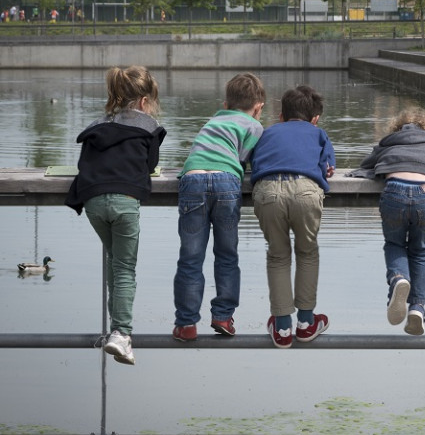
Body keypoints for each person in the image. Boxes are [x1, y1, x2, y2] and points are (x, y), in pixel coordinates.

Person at [65, 66, 166, 365]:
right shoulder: (148, 127)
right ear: (144, 102)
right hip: (124, 200)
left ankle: (115, 332)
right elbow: (150, 165)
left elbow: (85, 161)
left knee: (114, 260)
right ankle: (121, 334)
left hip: (94, 200)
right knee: (124, 268)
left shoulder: (96, 126)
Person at [348, 107, 425, 335]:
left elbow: (366, 164)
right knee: (420, 250)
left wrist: (383, 149)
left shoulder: (389, 144)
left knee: (395, 244)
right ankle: (418, 309)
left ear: (395, 128)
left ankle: (398, 279)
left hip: (395, 191)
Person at [172, 73, 266, 342]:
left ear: (225, 103)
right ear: (259, 107)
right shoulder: (254, 127)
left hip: (192, 179)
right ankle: (223, 316)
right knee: (226, 255)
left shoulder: (213, 120)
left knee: (190, 257)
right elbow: (251, 161)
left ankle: (186, 324)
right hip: (226, 182)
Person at [250, 85, 336, 348]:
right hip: (305, 191)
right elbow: (329, 168)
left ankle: (283, 327)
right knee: (307, 252)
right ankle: (307, 323)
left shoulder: (265, 133)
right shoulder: (318, 134)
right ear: (315, 119)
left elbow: (253, 161)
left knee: (277, 256)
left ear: (280, 116)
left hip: (267, 191)